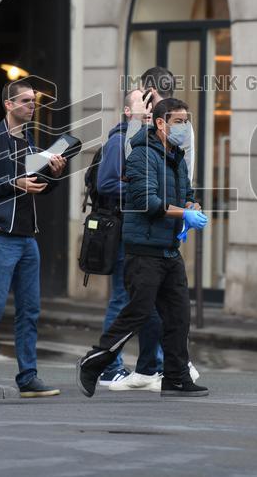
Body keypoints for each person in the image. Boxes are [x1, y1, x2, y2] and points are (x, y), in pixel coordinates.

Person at [76, 98, 210, 398]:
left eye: (187, 121)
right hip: (143, 252)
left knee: (178, 317)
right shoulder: (140, 155)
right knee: (136, 314)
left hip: (168, 249)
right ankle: (93, 363)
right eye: (179, 121)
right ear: (160, 123)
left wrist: (191, 206)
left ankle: (175, 378)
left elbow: (186, 193)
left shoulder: (176, 156)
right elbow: (145, 202)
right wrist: (183, 213)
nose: (184, 127)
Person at [0, 79, 66, 398]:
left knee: (30, 309)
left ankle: (28, 376)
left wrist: (54, 176)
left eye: (33, 101)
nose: (32, 106)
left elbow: (36, 185)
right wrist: (14, 183)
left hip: (27, 236)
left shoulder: (32, 143)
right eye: (25, 101)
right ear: (9, 105)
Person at [94, 89, 165, 390]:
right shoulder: (117, 140)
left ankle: (153, 365)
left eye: (152, 103)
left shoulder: (150, 142)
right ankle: (109, 366)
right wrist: (141, 194)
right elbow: (106, 182)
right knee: (122, 298)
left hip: (144, 231)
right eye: (141, 103)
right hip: (123, 230)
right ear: (127, 111)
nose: (148, 108)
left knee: (149, 299)